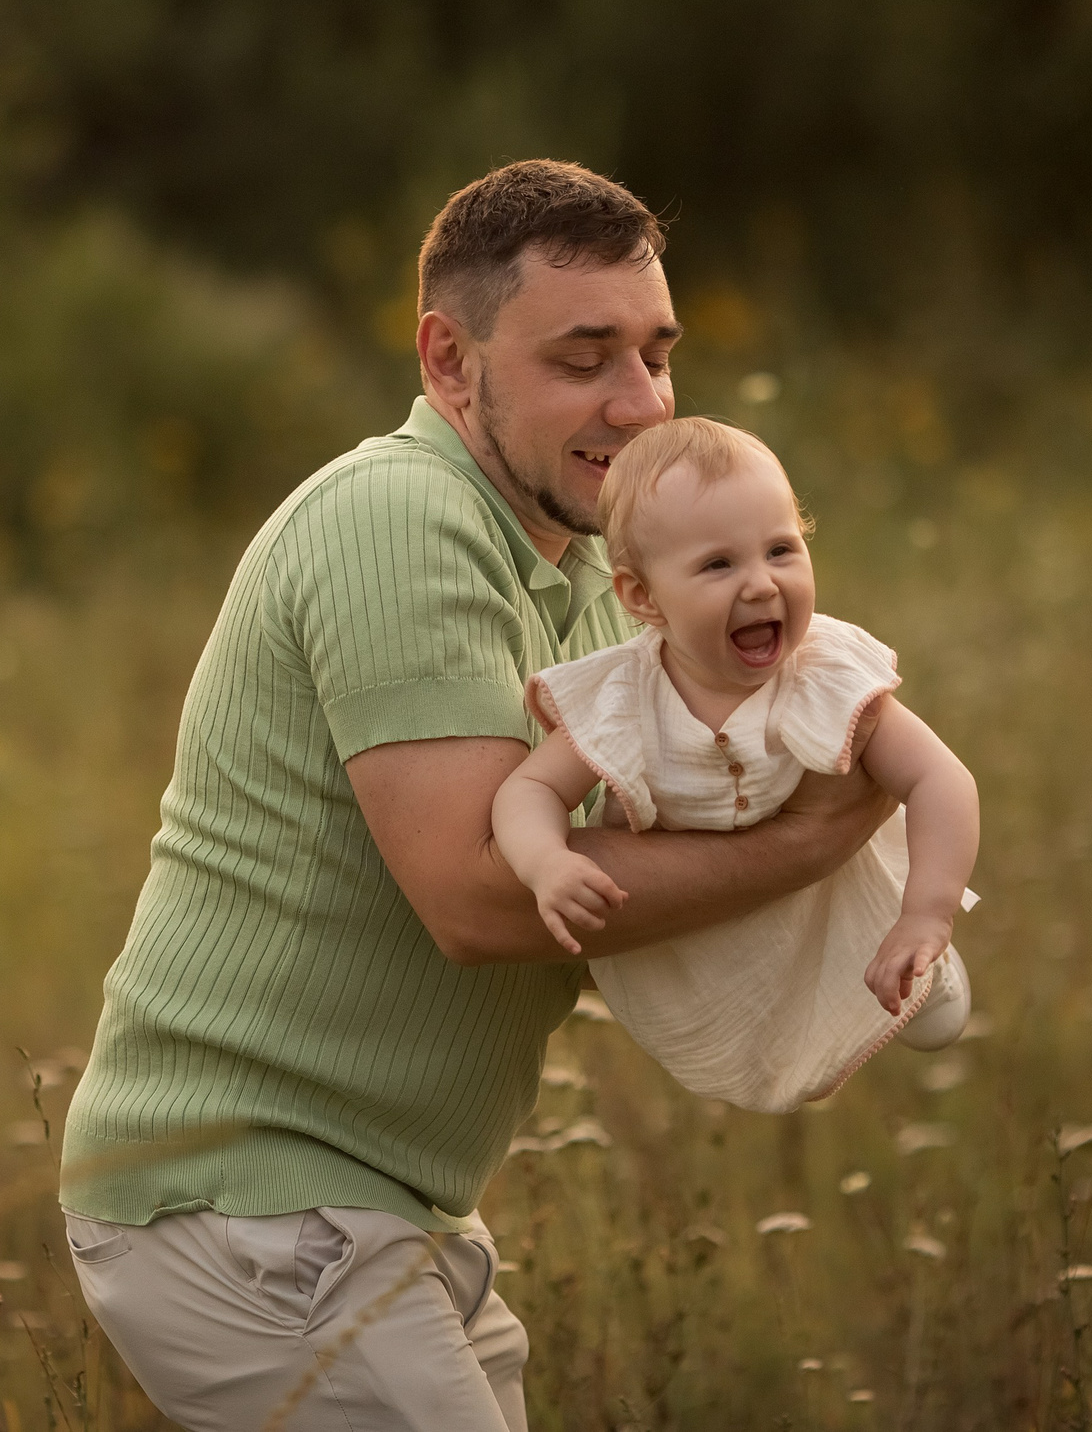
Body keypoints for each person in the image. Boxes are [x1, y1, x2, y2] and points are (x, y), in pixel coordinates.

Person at [57, 160, 896, 1431]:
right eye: (584, 358)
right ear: (450, 362)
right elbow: (477, 898)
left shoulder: (589, 578)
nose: (641, 400)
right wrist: (815, 842)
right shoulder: (399, 517)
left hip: (377, 1204)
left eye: (659, 355)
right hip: (246, 1201)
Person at [492, 417, 982, 1114]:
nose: (760, 585)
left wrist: (928, 913)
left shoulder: (823, 673)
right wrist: (545, 860)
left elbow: (941, 779)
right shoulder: (624, 695)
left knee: (867, 934)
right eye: (718, 564)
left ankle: (919, 958)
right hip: (706, 919)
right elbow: (530, 788)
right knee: (741, 1005)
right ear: (641, 596)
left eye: (781, 549)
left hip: (840, 891)